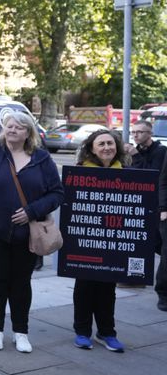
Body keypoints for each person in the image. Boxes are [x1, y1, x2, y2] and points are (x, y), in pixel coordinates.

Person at [0, 111, 63, 353]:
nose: (12, 130)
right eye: (9, 126)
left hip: (27, 233)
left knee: (21, 281)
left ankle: (21, 332)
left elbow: (57, 194)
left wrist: (31, 211)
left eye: (18, 127)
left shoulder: (42, 159)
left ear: (28, 133)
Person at [71, 129, 128, 352]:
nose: (106, 148)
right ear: (92, 149)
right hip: (85, 240)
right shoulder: (80, 172)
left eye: (110, 144)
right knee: (84, 287)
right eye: (101, 144)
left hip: (113, 239)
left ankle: (106, 332)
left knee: (107, 288)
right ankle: (82, 332)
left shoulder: (126, 172)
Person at [125, 120, 167, 304]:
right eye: (134, 132)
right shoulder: (137, 151)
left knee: (159, 243)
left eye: (140, 132)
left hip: (156, 205)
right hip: (144, 204)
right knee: (154, 242)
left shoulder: (159, 152)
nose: (136, 135)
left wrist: (135, 156)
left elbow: (151, 176)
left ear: (149, 133)